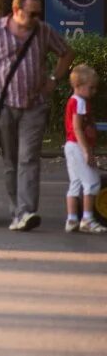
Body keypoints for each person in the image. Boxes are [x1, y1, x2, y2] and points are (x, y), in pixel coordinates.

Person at [0, 0, 74, 232]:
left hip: (34, 105)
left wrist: (53, 79)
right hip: (3, 104)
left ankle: (27, 211)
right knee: (11, 161)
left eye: (38, 13)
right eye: (31, 13)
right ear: (16, 10)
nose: (35, 18)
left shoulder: (42, 30)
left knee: (29, 158)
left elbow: (66, 52)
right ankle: (16, 210)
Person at [63, 64, 104, 234]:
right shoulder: (80, 102)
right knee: (92, 182)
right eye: (91, 88)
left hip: (70, 146)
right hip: (78, 146)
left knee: (75, 183)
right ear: (78, 86)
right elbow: (77, 128)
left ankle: (72, 219)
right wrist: (87, 151)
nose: (94, 91)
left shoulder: (73, 100)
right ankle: (87, 219)